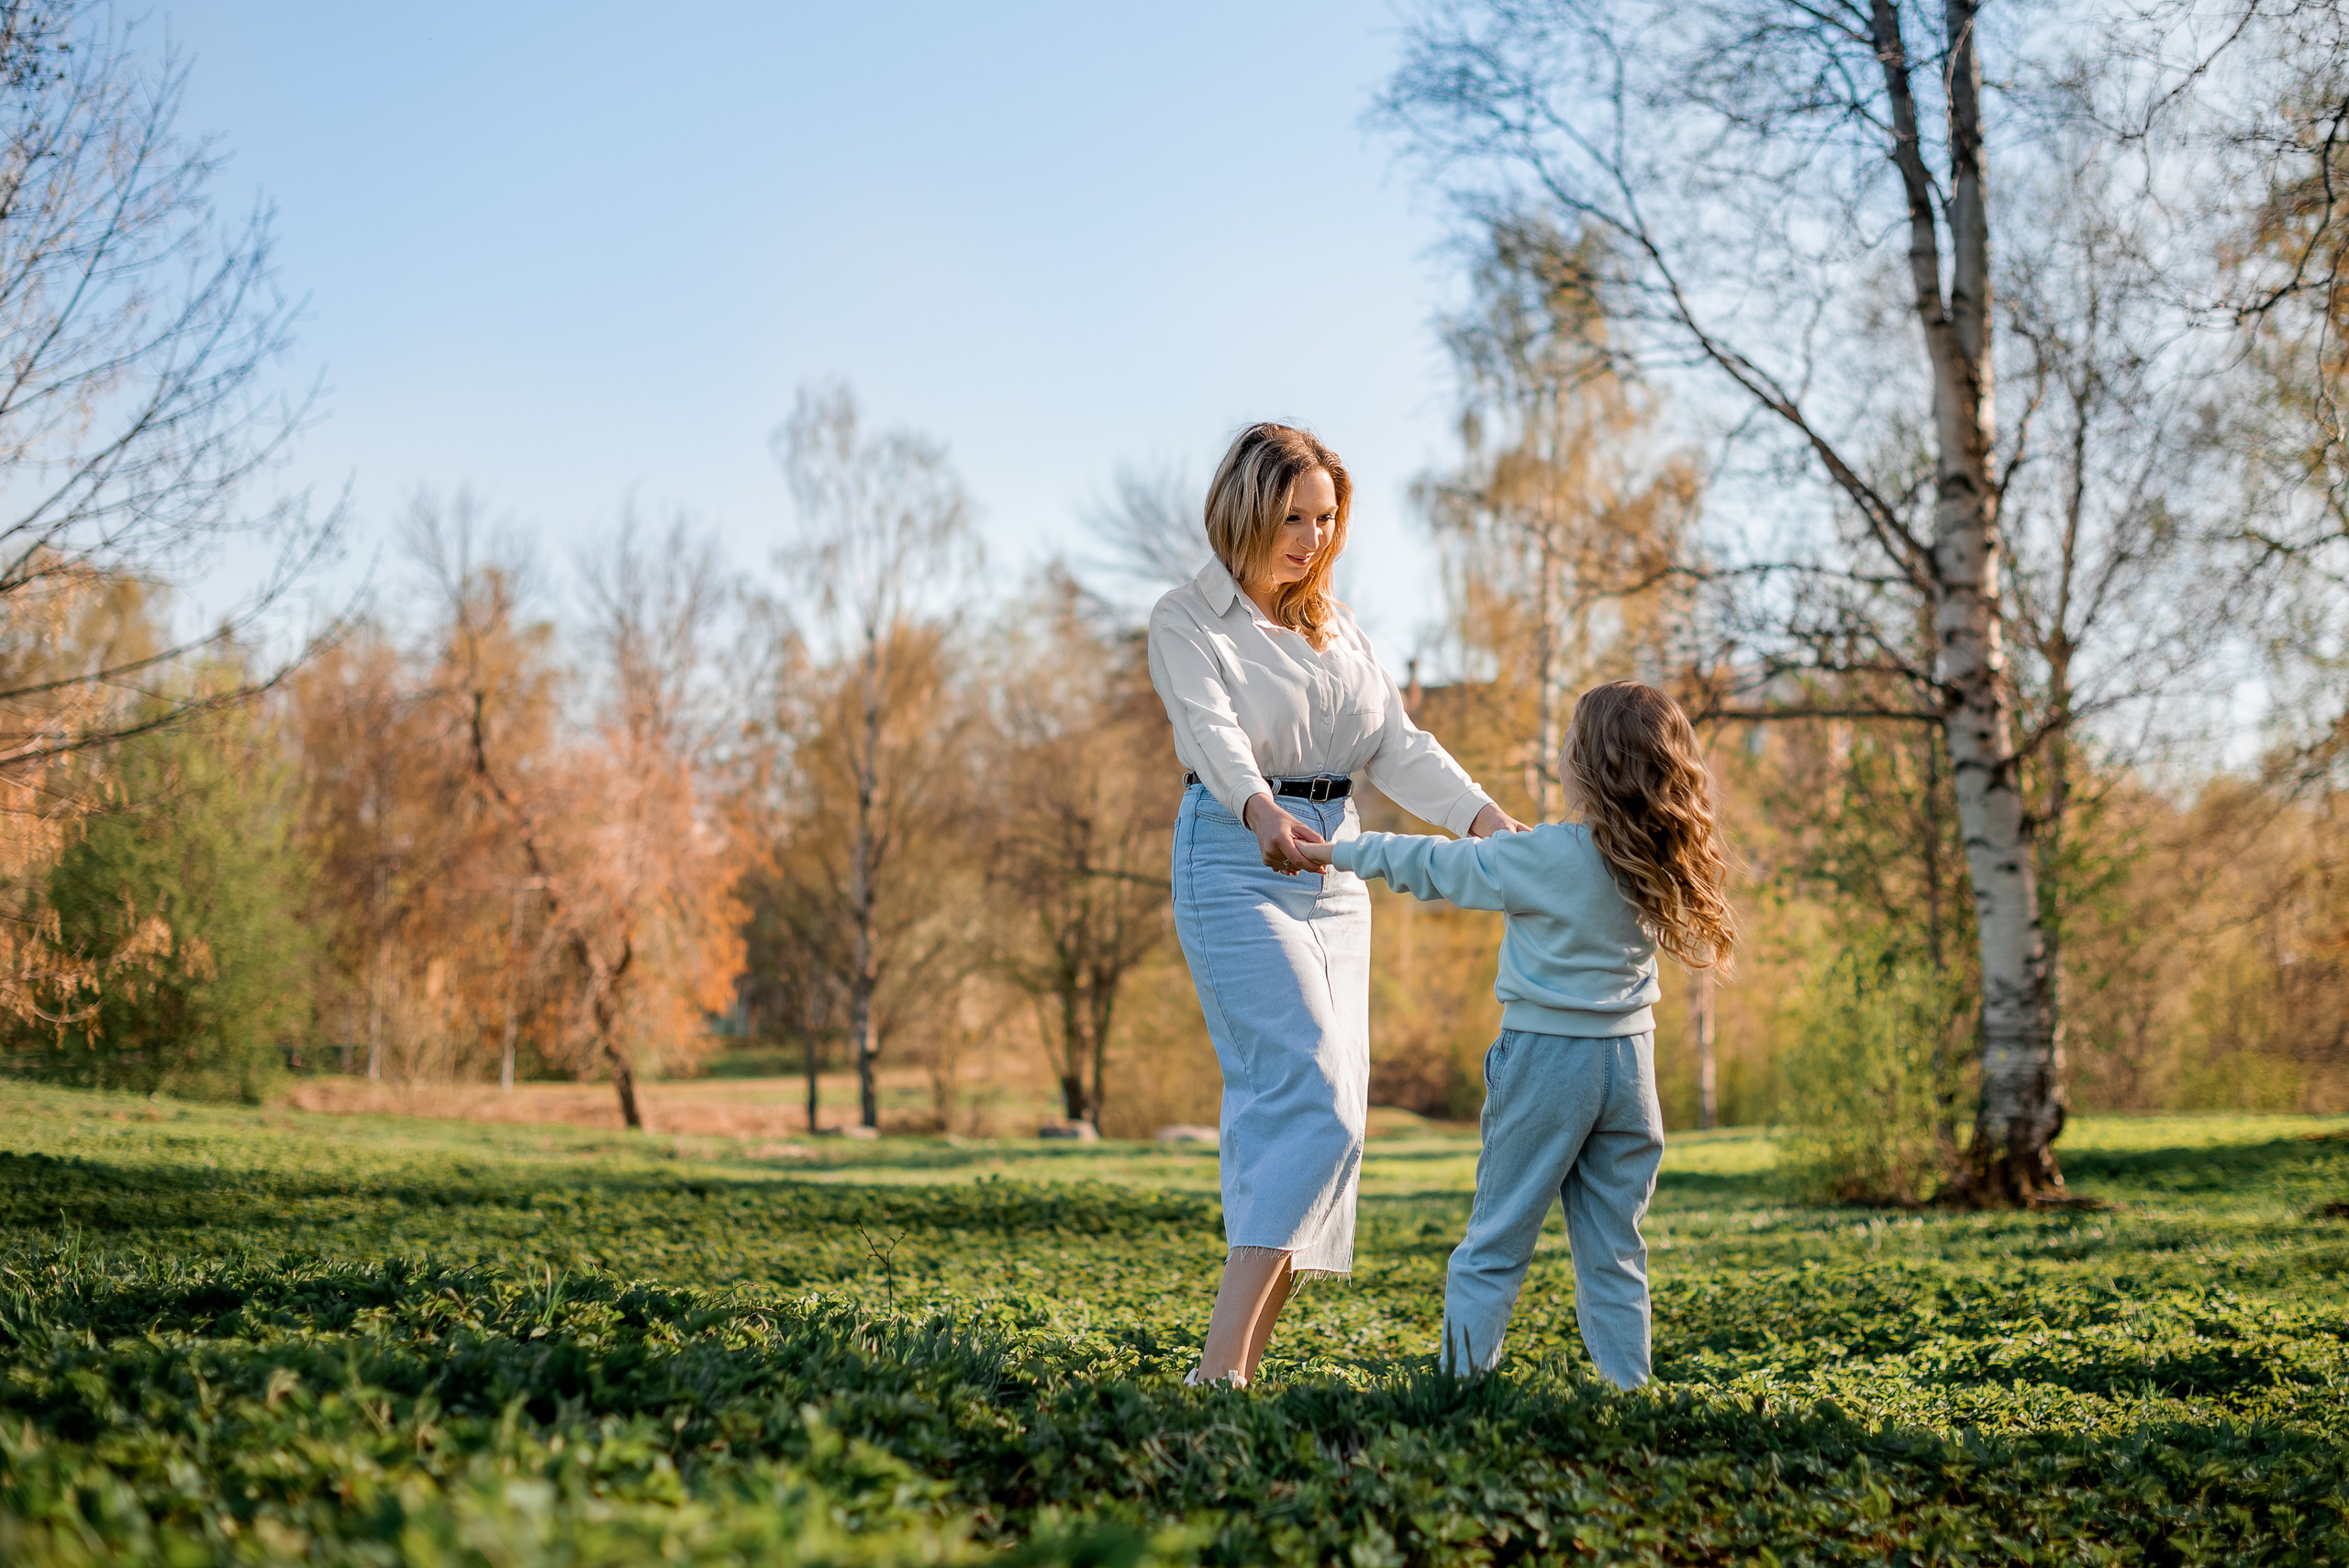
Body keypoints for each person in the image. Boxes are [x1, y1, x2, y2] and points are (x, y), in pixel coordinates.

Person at [1147, 422, 1525, 1389]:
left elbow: (1395, 745)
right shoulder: (1189, 620)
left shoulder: (1336, 624)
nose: (1312, 538)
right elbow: (1213, 734)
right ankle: (1215, 1373)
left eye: (1325, 518)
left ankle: (1235, 1369)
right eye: (1292, 517)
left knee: (1335, 1116)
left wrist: (1486, 819)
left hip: (1336, 868)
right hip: (1237, 859)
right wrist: (1261, 809)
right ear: (1244, 511)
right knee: (1311, 1094)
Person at [1299, 680, 1736, 1389]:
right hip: (1630, 1069)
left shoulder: (1544, 856)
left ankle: (1463, 1390)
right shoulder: (1659, 861)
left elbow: (1429, 866)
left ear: (1585, 766)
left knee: (1496, 1240)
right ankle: (1631, 1392)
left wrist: (1334, 852)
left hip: (1546, 1064)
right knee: (1615, 1248)